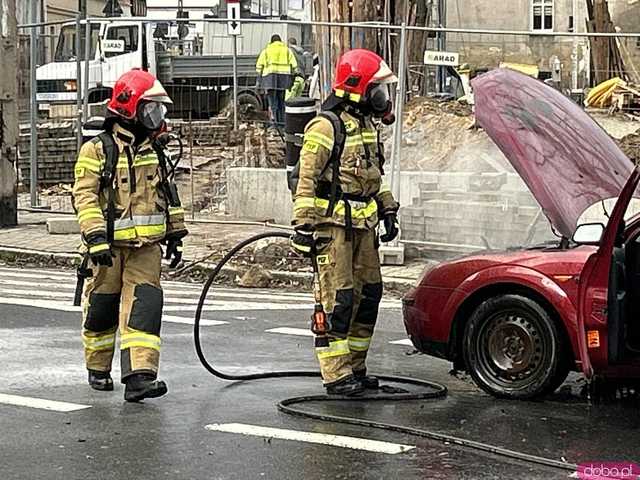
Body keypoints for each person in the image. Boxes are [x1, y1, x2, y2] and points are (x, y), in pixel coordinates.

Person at [289, 49, 400, 396]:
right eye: (377, 88)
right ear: (357, 88)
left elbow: (372, 176)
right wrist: (303, 226)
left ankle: (355, 366)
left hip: (364, 227)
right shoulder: (326, 126)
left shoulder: (365, 126)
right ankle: (336, 374)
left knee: (369, 295)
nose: (382, 97)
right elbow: (304, 179)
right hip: (332, 228)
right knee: (339, 299)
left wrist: (388, 208)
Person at [73, 69, 187, 402]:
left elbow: (168, 194)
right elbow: (84, 196)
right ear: (128, 108)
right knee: (102, 310)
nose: (156, 117)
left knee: (145, 309)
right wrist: (95, 237)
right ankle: (97, 367)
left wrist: (175, 234)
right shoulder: (97, 151)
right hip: (106, 250)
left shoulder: (155, 150)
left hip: (145, 249)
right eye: (150, 109)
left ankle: (139, 377)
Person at [256, 34, 298, 128]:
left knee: (273, 103)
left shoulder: (266, 51)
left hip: (270, 80)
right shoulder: (286, 50)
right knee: (282, 103)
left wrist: (259, 80)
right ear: (280, 41)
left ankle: (275, 125)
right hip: (283, 80)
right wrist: (294, 76)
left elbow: (259, 66)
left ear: (271, 41)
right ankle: (283, 124)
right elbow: (294, 65)